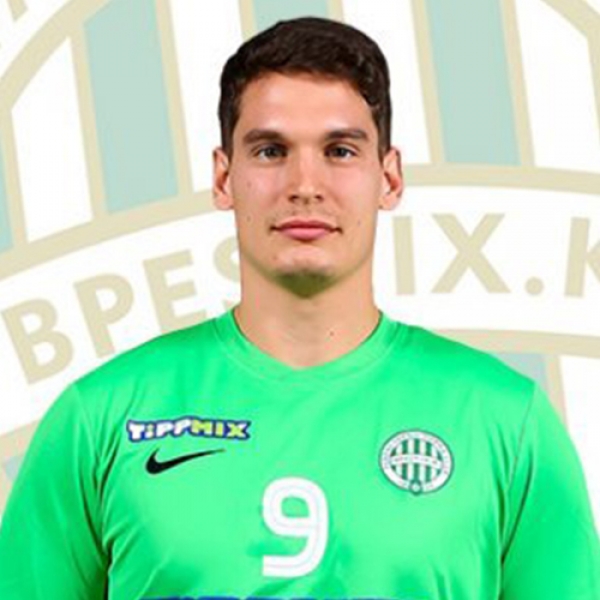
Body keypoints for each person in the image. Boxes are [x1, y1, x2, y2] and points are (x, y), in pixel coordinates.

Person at [0, 15, 598, 600]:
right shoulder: (100, 417)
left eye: (340, 150)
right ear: (223, 177)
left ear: (389, 178)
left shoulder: (505, 420)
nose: (305, 184)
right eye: (270, 150)